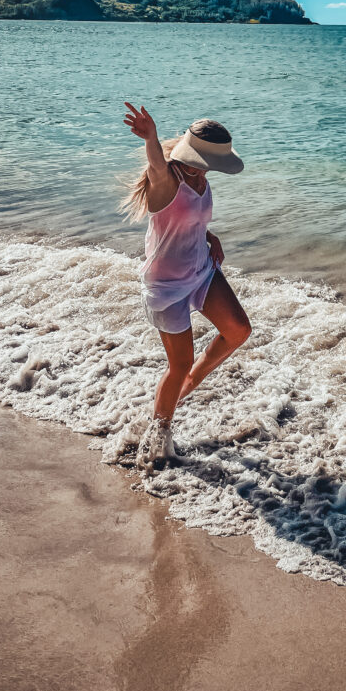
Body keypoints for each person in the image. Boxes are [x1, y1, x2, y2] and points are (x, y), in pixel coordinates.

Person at [120, 103, 251, 471]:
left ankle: (190, 382)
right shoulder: (167, 179)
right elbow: (157, 166)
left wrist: (209, 235)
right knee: (177, 365)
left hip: (201, 271)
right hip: (166, 286)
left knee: (238, 330)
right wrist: (151, 137)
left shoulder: (200, 178)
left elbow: (186, 219)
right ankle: (158, 435)